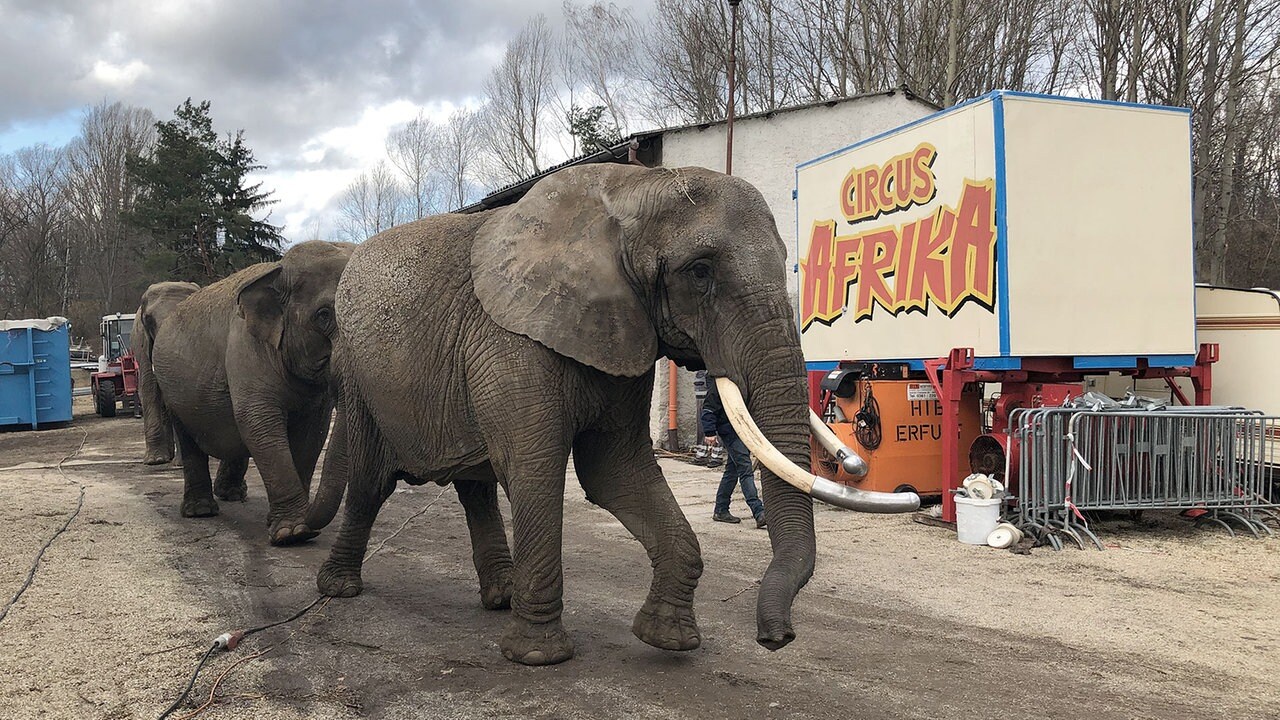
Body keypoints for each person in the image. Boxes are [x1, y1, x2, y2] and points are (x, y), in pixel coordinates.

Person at [700, 376, 766, 528]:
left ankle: (721, 509)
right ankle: (758, 511)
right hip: (730, 431)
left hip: (742, 430)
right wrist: (709, 432)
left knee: (732, 471)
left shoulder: (739, 379)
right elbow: (709, 409)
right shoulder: (719, 383)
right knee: (745, 469)